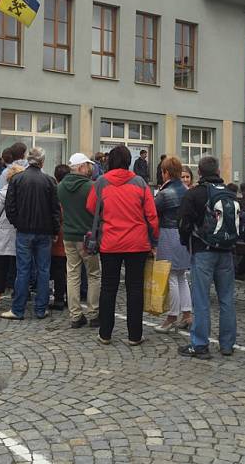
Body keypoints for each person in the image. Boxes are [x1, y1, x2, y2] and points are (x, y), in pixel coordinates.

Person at [86, 145, 159, 345]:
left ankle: (105, 333)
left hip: (110, 242)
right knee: (135, 289)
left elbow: (91, 206)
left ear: (110, 161)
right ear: (129, 161)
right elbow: (152, 215)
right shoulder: (140, 182)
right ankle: (134, 335)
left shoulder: (101, 182)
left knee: (108, 288)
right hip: (137, 242)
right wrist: (154, 239)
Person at [178, 156, 238, 359]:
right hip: (227, 251)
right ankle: (227, 344)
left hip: (203, 251)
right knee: (227, 299)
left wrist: (186, 243)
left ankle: (200, 344)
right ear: (218, 171)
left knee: (201, 299)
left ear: (200, 173)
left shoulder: (195, 193)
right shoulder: (230, 193)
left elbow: (184, 223)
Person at [1, 147, 61, 321]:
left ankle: (18, 309)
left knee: (23, 270)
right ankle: (40, 309)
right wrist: (55, 230)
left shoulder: (17, 179)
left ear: (29, 160)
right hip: (44, 232)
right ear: (42, 162)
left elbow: (9, 207)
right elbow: (55, 210)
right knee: (43, 270)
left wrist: (17, 223)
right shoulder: (49, 181)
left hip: (24, 231)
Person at [57, 153, 101, 329]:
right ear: (81, 167)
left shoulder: (60, 187)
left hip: (68, 235)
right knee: (93, 275)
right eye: (88, 166)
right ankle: (94, 314)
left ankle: (75, 315)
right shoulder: (91, 186)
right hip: (87, 237)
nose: (90, 169)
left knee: (73, 275)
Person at [153, 156, 192, 333]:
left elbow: (153, 212)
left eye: (162, 171)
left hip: (169, 234)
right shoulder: (186, 189)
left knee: (172, 277)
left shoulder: (164, 193)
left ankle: (172, 316)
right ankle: (187, 314)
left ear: (166, 172)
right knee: (182, 276)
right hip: (185, 234)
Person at [0, 165, 23, 311]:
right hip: (18, 234)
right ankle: (19, 296)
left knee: (0, 269)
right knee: (19, 269)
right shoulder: (23, 195)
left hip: (2, 235)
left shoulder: (0, 195)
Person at [50, 164, 70, 311]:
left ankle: (58, 298)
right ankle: (71, 297)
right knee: (71, 269)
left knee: (58, 268)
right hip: (72, 232)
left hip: (59, 233)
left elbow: (57, 213)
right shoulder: (73, 189)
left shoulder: (57, 191)